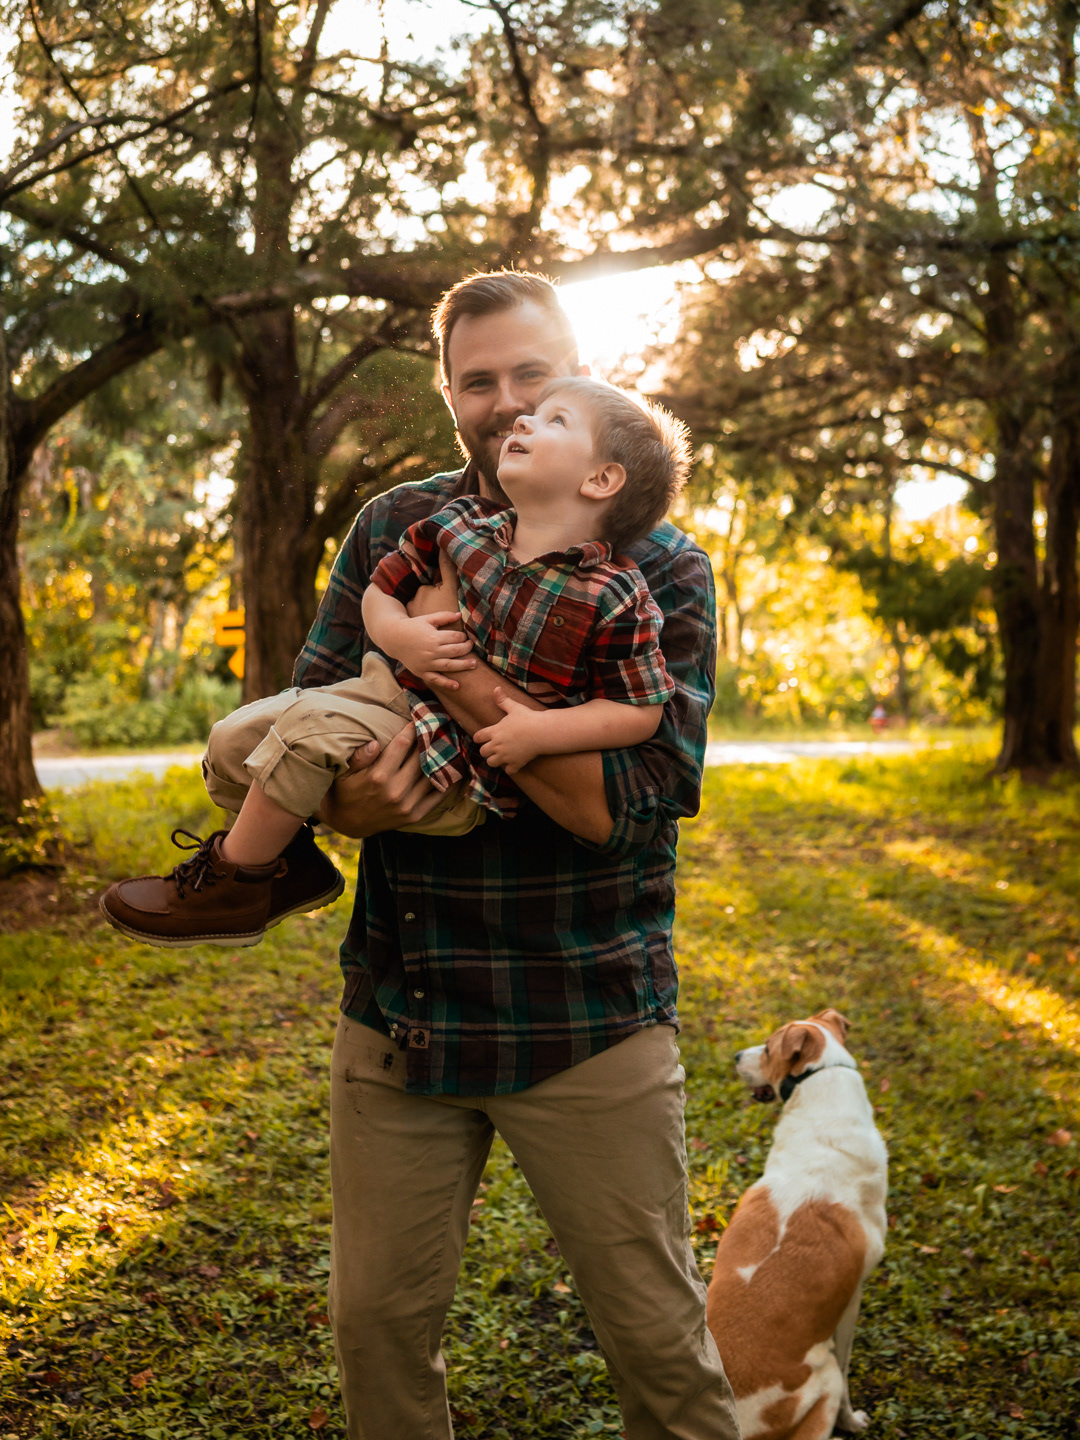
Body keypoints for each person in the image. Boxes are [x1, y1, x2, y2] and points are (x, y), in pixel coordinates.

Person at [302, 270, 739, 1440]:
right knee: (378, 1332)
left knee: (659, 1346)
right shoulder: (400, 528)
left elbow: (637, 800)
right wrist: (355, 801)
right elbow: (316, 709)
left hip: (587, 1003)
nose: (504, 403)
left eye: (532, 376)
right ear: (447, 392)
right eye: (477, 380)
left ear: (579, 370)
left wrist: (462, 679)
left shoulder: (661, 565)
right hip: (407, 997)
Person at [97, 376, 686, 950]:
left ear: (601, 479)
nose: (522, 416)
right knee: (233, 740)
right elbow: (380, 591)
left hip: (453, 761)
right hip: (383, 690)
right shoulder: (459, 528)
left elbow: (640, 711)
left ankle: (233, 888)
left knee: (303, 734)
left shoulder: (614, 595)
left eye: (555, 418)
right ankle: (289, 866)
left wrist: (539, 730)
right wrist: (401, 636)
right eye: (485, 386)